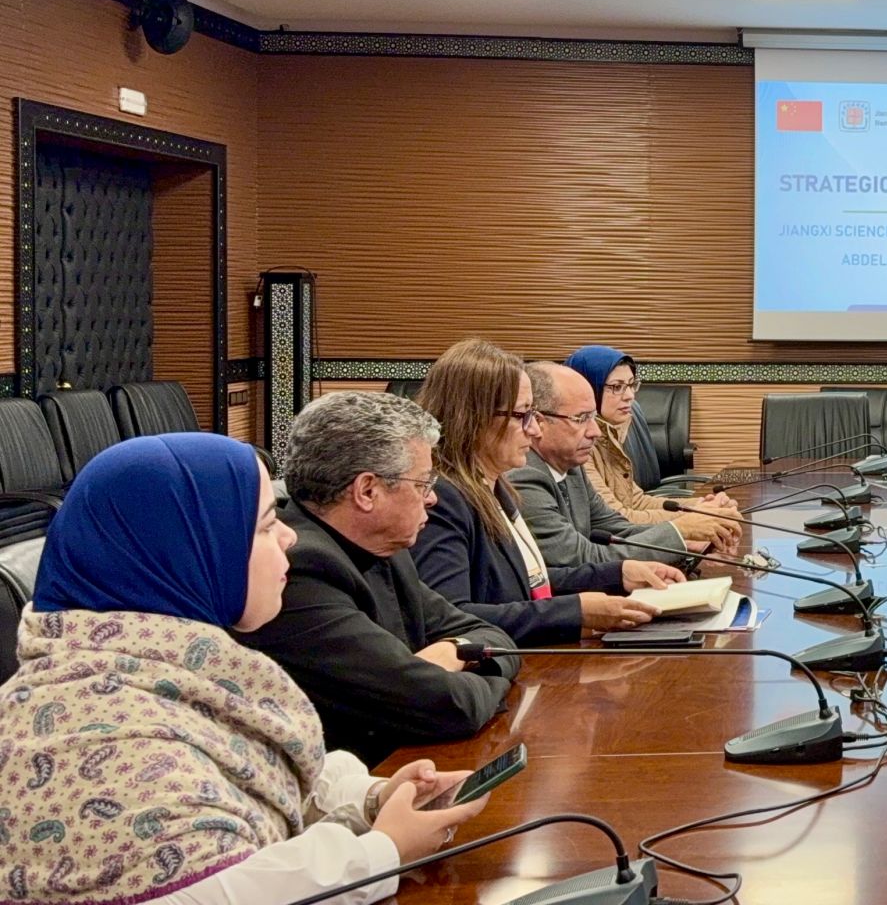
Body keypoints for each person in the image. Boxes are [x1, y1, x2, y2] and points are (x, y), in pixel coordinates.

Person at [0, 434, 487, 905]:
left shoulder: (159, 665)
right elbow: (217, 891)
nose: (290, 537)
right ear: (193, 551)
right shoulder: (99, 735)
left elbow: (247, 777)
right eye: (266, 524)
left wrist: (372, 798)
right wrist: (383, 853)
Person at [237, 391, 520, 766]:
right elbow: (448, 705)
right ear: (367, 491)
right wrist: (469, 668)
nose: (432, 498)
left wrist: (452, 650)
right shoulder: (300, 572)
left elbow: (494, 639)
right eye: (422, 483)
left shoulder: (384, 547)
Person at [413, 338, 680, 645]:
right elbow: (451, 619)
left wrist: (617, 573)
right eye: (521, 416)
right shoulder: (442, 498)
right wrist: (574, 612)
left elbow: (525, 581)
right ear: (474, 417)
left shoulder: (494, 485)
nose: (535, 429)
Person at [508, 362, 701, 569]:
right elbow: (581, 558)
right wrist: (680, 530)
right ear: (539, 422)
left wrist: (683, 542)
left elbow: (617, 528)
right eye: (581, 419)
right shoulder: (523, 477)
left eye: (593, 417)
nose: (596, 432)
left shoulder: (572, 467)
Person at [563, 345, 743, 550]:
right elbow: (619, 519)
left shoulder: (610, 434)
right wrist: (694, 518)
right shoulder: (577, 447)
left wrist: (701, 506)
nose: (630, 395)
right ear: (586, 389)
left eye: (631, 385)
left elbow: (635, 501)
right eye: (617, 387)